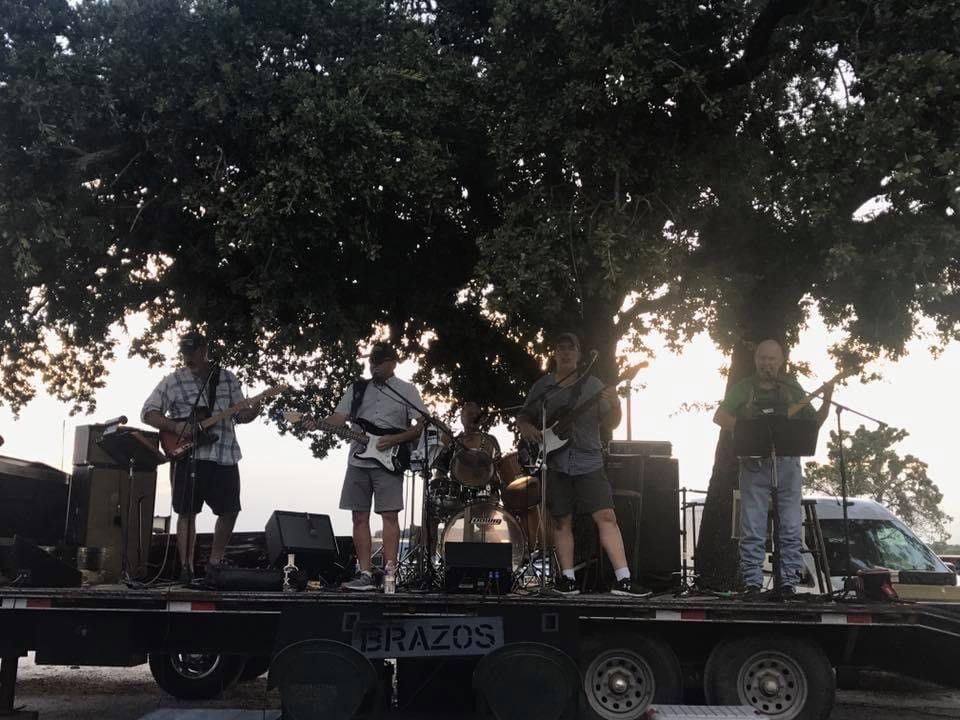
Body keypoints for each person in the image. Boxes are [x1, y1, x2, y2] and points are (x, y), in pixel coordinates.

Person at [516, 332, 649, 596]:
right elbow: (523, 416)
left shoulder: (594, 385)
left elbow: (611, 423)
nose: (566, 352)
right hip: (555, 461)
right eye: (561, 348)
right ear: (555, 353)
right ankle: (567, 579)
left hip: (589, 458)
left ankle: (623, 579)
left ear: (578, 354)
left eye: (571, 348)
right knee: (560, 520)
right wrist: (526, 428)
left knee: (606, 516)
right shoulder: (544, 386)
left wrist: (615, 403)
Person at [713, 338, 834, 595]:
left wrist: (827, 398)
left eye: (771, 359)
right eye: (762, 358)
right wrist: (747, 429)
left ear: (781, 361)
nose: (766, 364)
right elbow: (719, 416)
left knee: (791, 526)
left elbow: (814, 422)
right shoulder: (744, 387)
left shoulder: (792, 387)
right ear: (755, 360)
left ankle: (787, 582)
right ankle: (752, 583)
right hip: (754, 463)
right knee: (752, 526)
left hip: (787, 464)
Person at [142, 331, 260, 583]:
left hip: (224, 454)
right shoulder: (173, 380)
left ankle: (215, 564)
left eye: (192, 352)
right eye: (184, 352)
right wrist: (176, 427)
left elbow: (241, 416)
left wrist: (255, 409)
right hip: (189, 456)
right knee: (186, 512)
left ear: (204, 349)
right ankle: (186, 569)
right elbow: (148, 413)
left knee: (230, 510)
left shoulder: (227, 379)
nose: (188, 357)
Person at [319, 342, 425, 591]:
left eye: (379, 362)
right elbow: (338, 419)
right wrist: (317, 422)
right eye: (372, 362)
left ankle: (390, 574)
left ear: (392, 364)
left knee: (389, 515)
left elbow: (421, 425)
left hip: (390, 459)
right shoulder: (357, 389)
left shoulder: (406, 390)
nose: (374, 367)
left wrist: (395, 439)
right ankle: (365, 573)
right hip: (357, 459)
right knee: (358, 516)